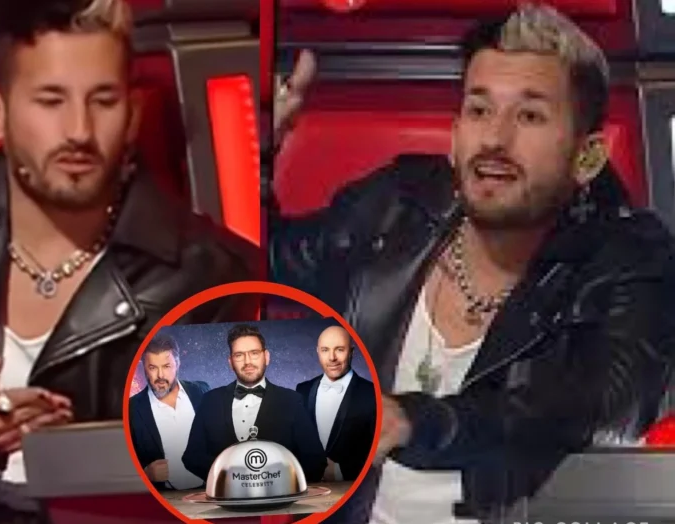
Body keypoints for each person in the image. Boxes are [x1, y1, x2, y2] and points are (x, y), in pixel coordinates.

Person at [0, 0, 260, 522]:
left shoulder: (207, 274)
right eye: (50, 100)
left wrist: (90, 461)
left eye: (103, 101)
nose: (79, 131)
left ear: (132, 115)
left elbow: (227, 488)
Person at [270, 4, 675, 523]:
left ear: (588, 157)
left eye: (529, 116)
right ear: (456, 132)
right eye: (480, 110)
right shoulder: (393, 208)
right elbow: (261, 262)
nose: (495, 139)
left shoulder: (630, 259)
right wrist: (261, 155)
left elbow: (595, 408)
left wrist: (416, 421)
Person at [182, 324, 327, 483]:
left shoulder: (292, 400)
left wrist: (275, 481)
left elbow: (315, 460)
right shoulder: (210, 400)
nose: (248, 361)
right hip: (223, 496)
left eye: (254, 353)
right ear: (230, 362)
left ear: (266, 357)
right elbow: (192, 457)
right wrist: (228, 478)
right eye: (239, 355)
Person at [295, 325, 377, 483]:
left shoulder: (372, 393)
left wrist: (340, 471)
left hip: (351, 488)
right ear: (318, 352)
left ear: (351, 352)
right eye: (325, 350)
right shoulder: (303, 390)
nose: (332, 357)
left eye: (339, 349)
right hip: (308, 487)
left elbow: (379, 450)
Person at [129, 335, 209, 491]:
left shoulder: (201, 391)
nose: (160, 375)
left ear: (177, 364)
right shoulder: (131, 409)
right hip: (166, 498)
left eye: (166, 366)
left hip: (208, 492)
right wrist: (145, 474)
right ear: (144, 367)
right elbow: (117, 464)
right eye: (153, 367)